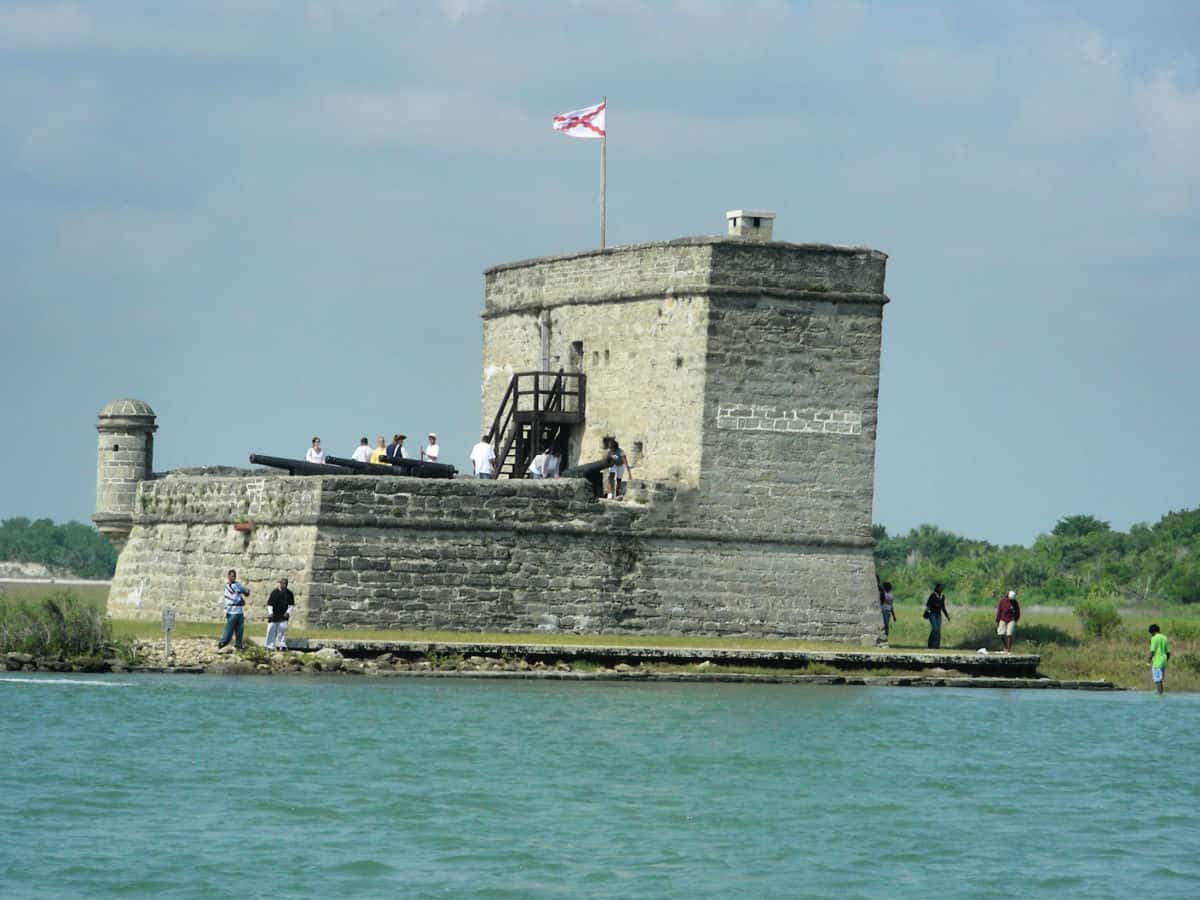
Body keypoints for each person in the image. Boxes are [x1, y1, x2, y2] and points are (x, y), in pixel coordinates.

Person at [217, 569, 249, 651]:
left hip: (239, 611)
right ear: (228, 576)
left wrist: (246, 592)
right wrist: (241, 600)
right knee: (229, 629)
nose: (233, 577)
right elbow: (234, 597)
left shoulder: (237, 584)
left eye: (234, 576)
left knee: (240, 629)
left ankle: (238, 644)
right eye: (231, 576)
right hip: (231, 611)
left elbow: (245, 592)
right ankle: (222, 642)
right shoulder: (228, 586)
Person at [265, 577, 295, 651]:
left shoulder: (289, 594)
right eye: (283, 583)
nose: (284, 585)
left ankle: (281, 645)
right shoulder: (275, 592)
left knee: (282, 630)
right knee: (271, 630)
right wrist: (270, 613)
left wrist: (288, 612)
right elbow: (270, 604)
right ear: (280, 583)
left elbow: (291, 605)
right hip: (274, 614)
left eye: (285, 584)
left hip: (283, 615)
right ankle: (269, 646)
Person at [925, 582, 950, 649]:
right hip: (932, 614)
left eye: (942, 588)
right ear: (937, 588)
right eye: (940, 587)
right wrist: (934, 605)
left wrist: (947, 615)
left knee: (938, 630)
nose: (942, 589)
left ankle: (936, 645)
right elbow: (928, 604)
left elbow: (943, 607)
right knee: (935, 629)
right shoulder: (933, 595)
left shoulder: (942, 596)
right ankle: (930, 644)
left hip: (938, 615)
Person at [1148, 624, 1169, 694]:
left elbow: (1152, 651)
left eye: (1151, 633)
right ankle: (1160, 692)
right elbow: (1168, 652)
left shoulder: (1154, 638)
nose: (1151, 635)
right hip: (1164, 661)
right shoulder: (1165, 638)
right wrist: (1166, 660)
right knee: (1160, 679)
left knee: (1157, 679)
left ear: (1152, 632)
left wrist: (1148, 661)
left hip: (1157, 661)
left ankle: (1160, 694)